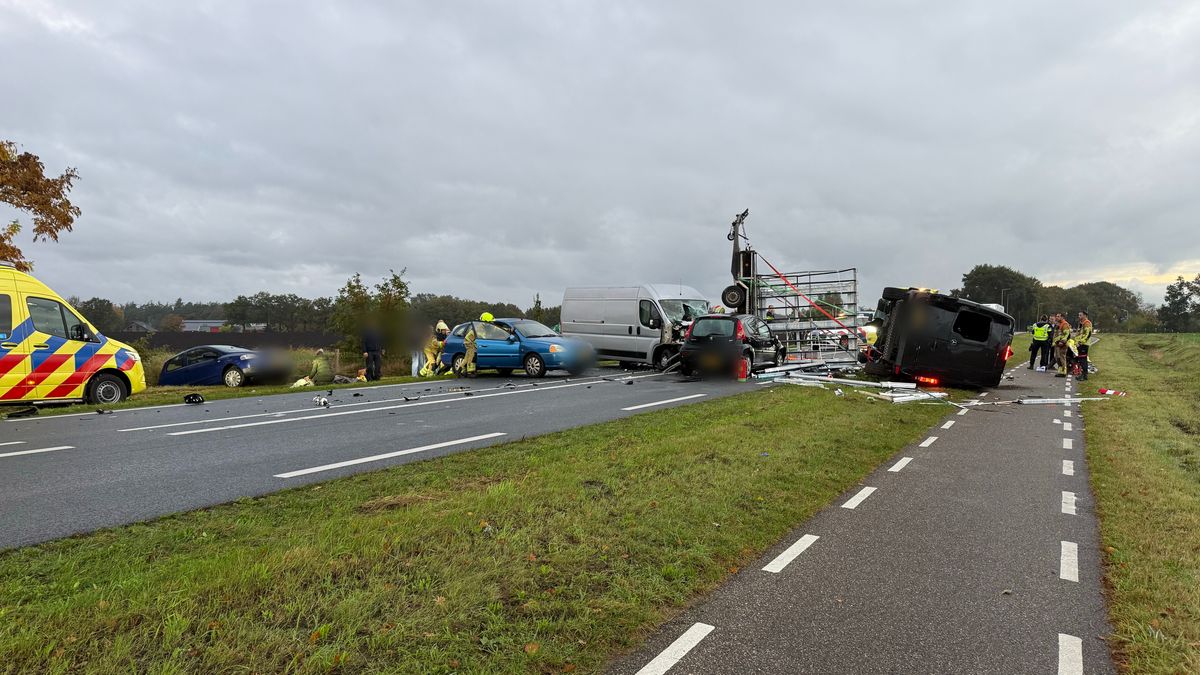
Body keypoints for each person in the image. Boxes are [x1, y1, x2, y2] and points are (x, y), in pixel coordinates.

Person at [458, 312, 493, 377]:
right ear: (485, 322)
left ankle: (460, 370)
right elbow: (483, 337)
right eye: (489, 322)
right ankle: (469, 372)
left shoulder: (480, 326)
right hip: (469, 343)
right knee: (471, 357)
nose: (490, 324)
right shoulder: (479, 328)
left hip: (470, 342)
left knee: (467, 357)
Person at [1053, 312, 1072, 377]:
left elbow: (1067, 334)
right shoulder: (1059, 324)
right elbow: (1057, 334)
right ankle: (1060, 370)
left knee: (1062, 357)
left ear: (1062, 317)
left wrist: (1063, 341)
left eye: (1058, 316)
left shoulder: (1065, 324)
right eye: (1056, 316)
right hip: (1057, 343)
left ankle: (1063, 371)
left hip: (1062, 344)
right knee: (1057, 357)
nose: (1056, 317)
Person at [1075, 311, 1093, 381]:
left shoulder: (1087, 323)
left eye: (1080, 315)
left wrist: (1080, 342)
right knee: (1081, 359)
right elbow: (1079, 333)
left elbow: (1087, 334)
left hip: (1083, 344)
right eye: (1079, 315)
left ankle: (1084, 375)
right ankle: (1084, 375)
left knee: (1083, 359)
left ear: (1085, 316)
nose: (1079, 317)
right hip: (1080, 343)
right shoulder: (1081, 324)